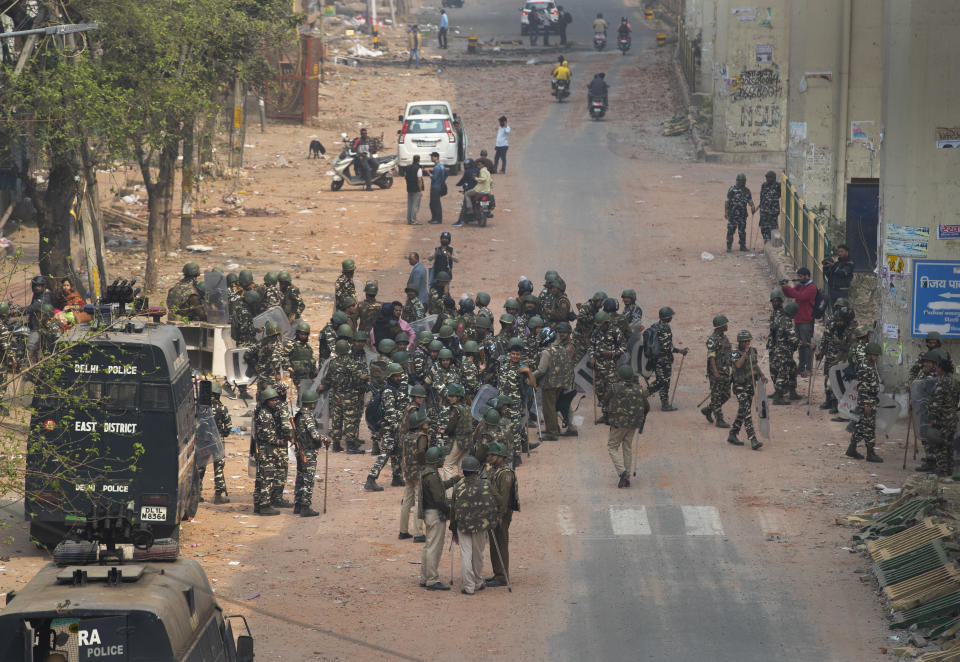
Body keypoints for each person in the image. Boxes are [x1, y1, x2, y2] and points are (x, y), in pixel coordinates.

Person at [449, 455, 498, 595]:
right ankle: (478, 581)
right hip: (481, 525)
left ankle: (469, 586)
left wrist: (453, 529)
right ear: (477, 471)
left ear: (463, 471)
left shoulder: (458, 486)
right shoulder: (486, 484)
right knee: (478, 554)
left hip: (463, 526)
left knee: (466, 554)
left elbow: (453, 510)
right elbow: (495, 500)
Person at [419, 446, 461, 590]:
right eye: (441, 458)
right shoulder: (431, 475)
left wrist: (455, 479)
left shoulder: (427, 472)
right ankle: (432, 580)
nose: (443, 460)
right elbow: (438, 498)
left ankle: (424, 577)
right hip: (435, 513)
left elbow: (439, 487)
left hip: (429, 513)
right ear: (436, 460)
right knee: (434, 548)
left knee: (428, 546)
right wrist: (450, 511)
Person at [364, 362, 408, 490]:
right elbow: (390, 414)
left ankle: (397, 477)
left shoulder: (394, 389)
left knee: (397, 453)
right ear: (389, 377)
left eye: (400, 376)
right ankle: (371, 479)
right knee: (385, 454)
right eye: (396, 376)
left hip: (394, 427)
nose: (399, 378)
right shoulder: (388, 391)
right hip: (389, 428)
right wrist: (398, 428)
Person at [320, 339, 368, 453]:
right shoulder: (353, 363)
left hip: (336, 396)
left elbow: (328, 379)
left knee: (337, 419)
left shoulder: (333, 363)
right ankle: (350, 446)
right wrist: (364, 379)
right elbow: (358, 380)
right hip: (349, 397)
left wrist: (324, 386)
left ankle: (336, 445)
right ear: (348, 349)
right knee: (349, 420)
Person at [606, 365, 649, 487]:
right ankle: (627, 476)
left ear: (619, 377)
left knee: (612, 447)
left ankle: (622, 472)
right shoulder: (639, 389)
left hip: (618, 423)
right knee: (627, 446)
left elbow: (605, 400)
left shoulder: (615, 387)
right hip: (633, 423)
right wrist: (642, 421)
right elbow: (647, 407)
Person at [252, 387, 292, 515]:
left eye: (276, 400)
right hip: (267, 451)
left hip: (266, 451)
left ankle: (259, 505)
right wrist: (283, 442)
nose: (276, 402)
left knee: (261, 478)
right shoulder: (265, 415)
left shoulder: (265, 412)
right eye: (273, 400)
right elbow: (268, 437)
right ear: (266, 401)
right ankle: (264, 506)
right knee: (266, 478)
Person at [485, 442, 518, 587]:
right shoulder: (494, 470)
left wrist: (500, 515)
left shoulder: (505, 473)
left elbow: (504, 497)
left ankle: (503, 576)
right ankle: (498, 573)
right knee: (494, 543)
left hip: (502, 514)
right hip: (495, 512)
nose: (489, 457)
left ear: (500, 456)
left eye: (492, 455)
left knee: (501, 543)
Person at [727, 330, 766, 450]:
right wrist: (744, 354)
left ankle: (733, 433)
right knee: (747, 413)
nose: (747, 343)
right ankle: (753, 439)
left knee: (743, 411)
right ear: (740, 342)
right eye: (745, 342)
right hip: (740, 386)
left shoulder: (753, 351)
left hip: (750, 385)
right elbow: (738, 365)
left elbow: (754, 365)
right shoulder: (735, 353)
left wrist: (762, 375)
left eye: (748, 341)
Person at [645, 307, 688, 411]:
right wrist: (680, 351)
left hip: (655, 359)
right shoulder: (665, 328)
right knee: (662, 382)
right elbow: (667, 347)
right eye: (671, 316)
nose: (671, 318)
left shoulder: (655, 325)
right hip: (663, 360)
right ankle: (643, 395)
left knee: (663, 381)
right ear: (667, 317)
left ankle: (665, 404)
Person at [846, 342, 883, 462]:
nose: (876, 357)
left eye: (877, 355)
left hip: (870, 399)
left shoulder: (870, 365)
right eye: (874, 355)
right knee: (868, 427)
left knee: (863, 426)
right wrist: (867, 404)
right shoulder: (865, 367)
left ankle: (852, 449)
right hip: (867, 400)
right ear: (869, 354)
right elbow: (863, 387)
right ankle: (870, 453)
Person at [817, 298, 856, 413]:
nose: (838, 311)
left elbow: (851, 345)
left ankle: (837, 404)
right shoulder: (832, 322)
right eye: (837, 308)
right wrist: (821, 351)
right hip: (831, 355)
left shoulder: (851, 326)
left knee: (838, 381)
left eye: (841, 308)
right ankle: (829, 400)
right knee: (828, 379)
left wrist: (839, 343)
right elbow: (826, 337)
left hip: (842, 357)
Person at [293, 390, 327, 517]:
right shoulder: (308, 417)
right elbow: (315, 435)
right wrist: (325, 439)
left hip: (300, 450)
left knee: (300, 477)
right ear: (311, 403)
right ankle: (305, 507)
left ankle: (298, 504)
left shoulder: (299, 415)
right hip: (308, 452)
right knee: (308, 479)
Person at [590, 310, 626, 424]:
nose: (600, 327)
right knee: (600, 392)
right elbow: (591, 345)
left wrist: (612, 353)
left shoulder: (616, 331)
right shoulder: (596, 332)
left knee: (611, 391)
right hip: (598, 367)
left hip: (610, 367)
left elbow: (624, 347)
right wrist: (591, 356)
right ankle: (605, 415)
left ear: (606, 322)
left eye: (602, 325)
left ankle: (613, 415)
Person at [198, 382, 231, 504]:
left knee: (200, 467)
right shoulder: (222, 408)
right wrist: (222, 434)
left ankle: (196, 494)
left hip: (203, 441)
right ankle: (218, 495)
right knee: (219, 468)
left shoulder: (201, 407)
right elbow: (228, 427)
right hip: (218, 442)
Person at [399, 409, 429, 540]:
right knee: (418, 501)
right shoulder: (421, 436)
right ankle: (418, 533)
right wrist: (425, 466)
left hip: (408, 470)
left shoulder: (406, 436)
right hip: (418, 471)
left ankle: (403, 530)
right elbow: (422, 452)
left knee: (407, 500)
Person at [781, 267, 817, 376]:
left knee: (807, 345)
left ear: (807, 276)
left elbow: (800, 296)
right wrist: (784, 288)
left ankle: (808, 368)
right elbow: (790, 294)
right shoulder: (800, 286)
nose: (799, 279)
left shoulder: (811, 288)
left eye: (800, 277)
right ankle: (801, 367)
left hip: (806, 320)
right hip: (798, 319)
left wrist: (789, 288)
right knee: (801, 345)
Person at [928, 358, 960, 477]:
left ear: (941, 369)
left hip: (942, 419)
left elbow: (936, 402)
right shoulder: (955, 382)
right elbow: (957, 400)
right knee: (949, 445)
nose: (936, 369)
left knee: (940, 445)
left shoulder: (941, 382)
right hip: (952, 418)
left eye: (937, 367)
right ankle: (949, 470)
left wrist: (933, 418)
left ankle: (941, 470)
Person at [702, 315, 732, 428]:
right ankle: (719, 419)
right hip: (716, 372)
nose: (727, 325)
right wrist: (715, 372)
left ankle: (708, 409)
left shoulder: (724, 338)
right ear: (720, 326)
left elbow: (728, 354)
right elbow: (711, 357)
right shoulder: (712, 340)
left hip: (725, 371)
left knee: (726, 395)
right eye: (725, 324)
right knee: (716, 396)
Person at [770, 301, 801, 405]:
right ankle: (778, 397)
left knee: (792, 369)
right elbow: (793, 338)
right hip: (784, 352)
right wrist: (806, 345)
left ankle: (792, 392)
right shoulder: (787, 322)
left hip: (780, 350)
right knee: (782, 374)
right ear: (792, 313)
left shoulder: (780, 319)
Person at [724, 173, 756, 252]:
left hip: (742, 215)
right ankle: (729, 246)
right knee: (731, 230)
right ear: (737, 181)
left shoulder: (747, 191)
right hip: (733, 214)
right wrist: (726, 212)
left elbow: (750, 201)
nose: (742, 182)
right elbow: (727, 201)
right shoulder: (732, 189)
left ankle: (742, 246)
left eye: (743, 181)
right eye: (740, 181)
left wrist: (752, 206)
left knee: (742, 231)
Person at [459, 157, 492, 226]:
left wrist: (476, 178)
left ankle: (470, 209)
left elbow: (483, 179)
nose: (478, 166)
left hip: (479, 189)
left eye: (479, 164)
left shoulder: (482, 171)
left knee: (467, 194)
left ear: (483, 165)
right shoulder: (487, 172)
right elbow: (491, 181)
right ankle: (488, 211)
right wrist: (489, 187)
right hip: (487, 190)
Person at [758, 170, 781, 243]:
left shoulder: (778, 185)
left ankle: (774, 243)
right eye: (767, 177)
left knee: (774, 228)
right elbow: (761, 197)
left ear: (774, 178)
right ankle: (766, 243)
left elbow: (780, 194)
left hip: (773, 211)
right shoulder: (764, 185)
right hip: (764, 211)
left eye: (769, 177)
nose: (767, 179)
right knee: (764, 228)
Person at [426, 152, 447, 225]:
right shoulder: (441, 166)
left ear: (436, 157)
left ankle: (437, 219)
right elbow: (446, 175)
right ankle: (435, 218)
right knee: (435, 203)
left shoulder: (437, 167)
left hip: (435, 187)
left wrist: (428, 172)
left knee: (434, 204)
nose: (431, 158)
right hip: (439, 186)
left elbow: (434, 178)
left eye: (432, 157)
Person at [404, 154, 424, 225]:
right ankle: (413, 220)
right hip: (416, 189)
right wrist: (420, 190)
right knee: (415, 205)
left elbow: (405, 177)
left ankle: (409, 219)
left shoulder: (407, 167)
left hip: (409, 188)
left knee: (410, 204)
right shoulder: (418, 168)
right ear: (419, 160)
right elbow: (419, 180)